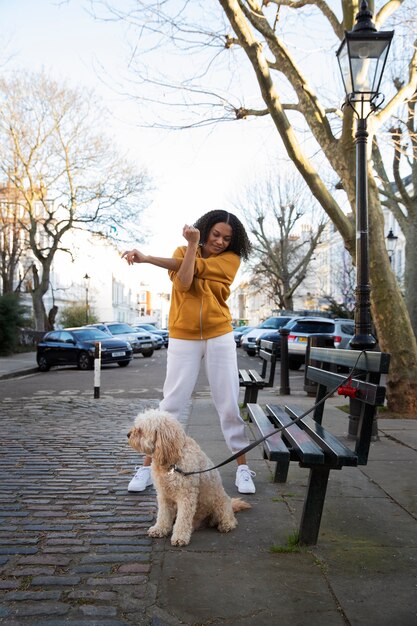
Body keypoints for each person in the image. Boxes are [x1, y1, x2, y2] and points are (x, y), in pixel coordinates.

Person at [122, 210, 256, 494]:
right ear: (205, 229)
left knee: (229, 403)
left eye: (227, 238)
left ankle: (243, 467)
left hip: (219, 332)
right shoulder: (183, 250)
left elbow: (194, 269)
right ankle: (146, 468)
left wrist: (147, 258)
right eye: (216, 234)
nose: (220, 241)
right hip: (183, 335)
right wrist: (193, 246)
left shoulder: (231, 260)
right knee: (170, 404)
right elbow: (184, 281)